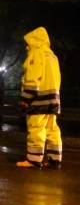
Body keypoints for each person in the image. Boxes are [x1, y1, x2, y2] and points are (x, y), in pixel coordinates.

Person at [16, 27, 61, 168]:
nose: (26, 46)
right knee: (52, 129)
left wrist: (25, 99)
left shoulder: (36, 54)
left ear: (34, 41)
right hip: (53, 99)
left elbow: (32, 79)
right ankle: (55, 159)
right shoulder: (52, 56)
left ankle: (34, 160)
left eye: (28, 42)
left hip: (39, 99)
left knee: (36, 128)